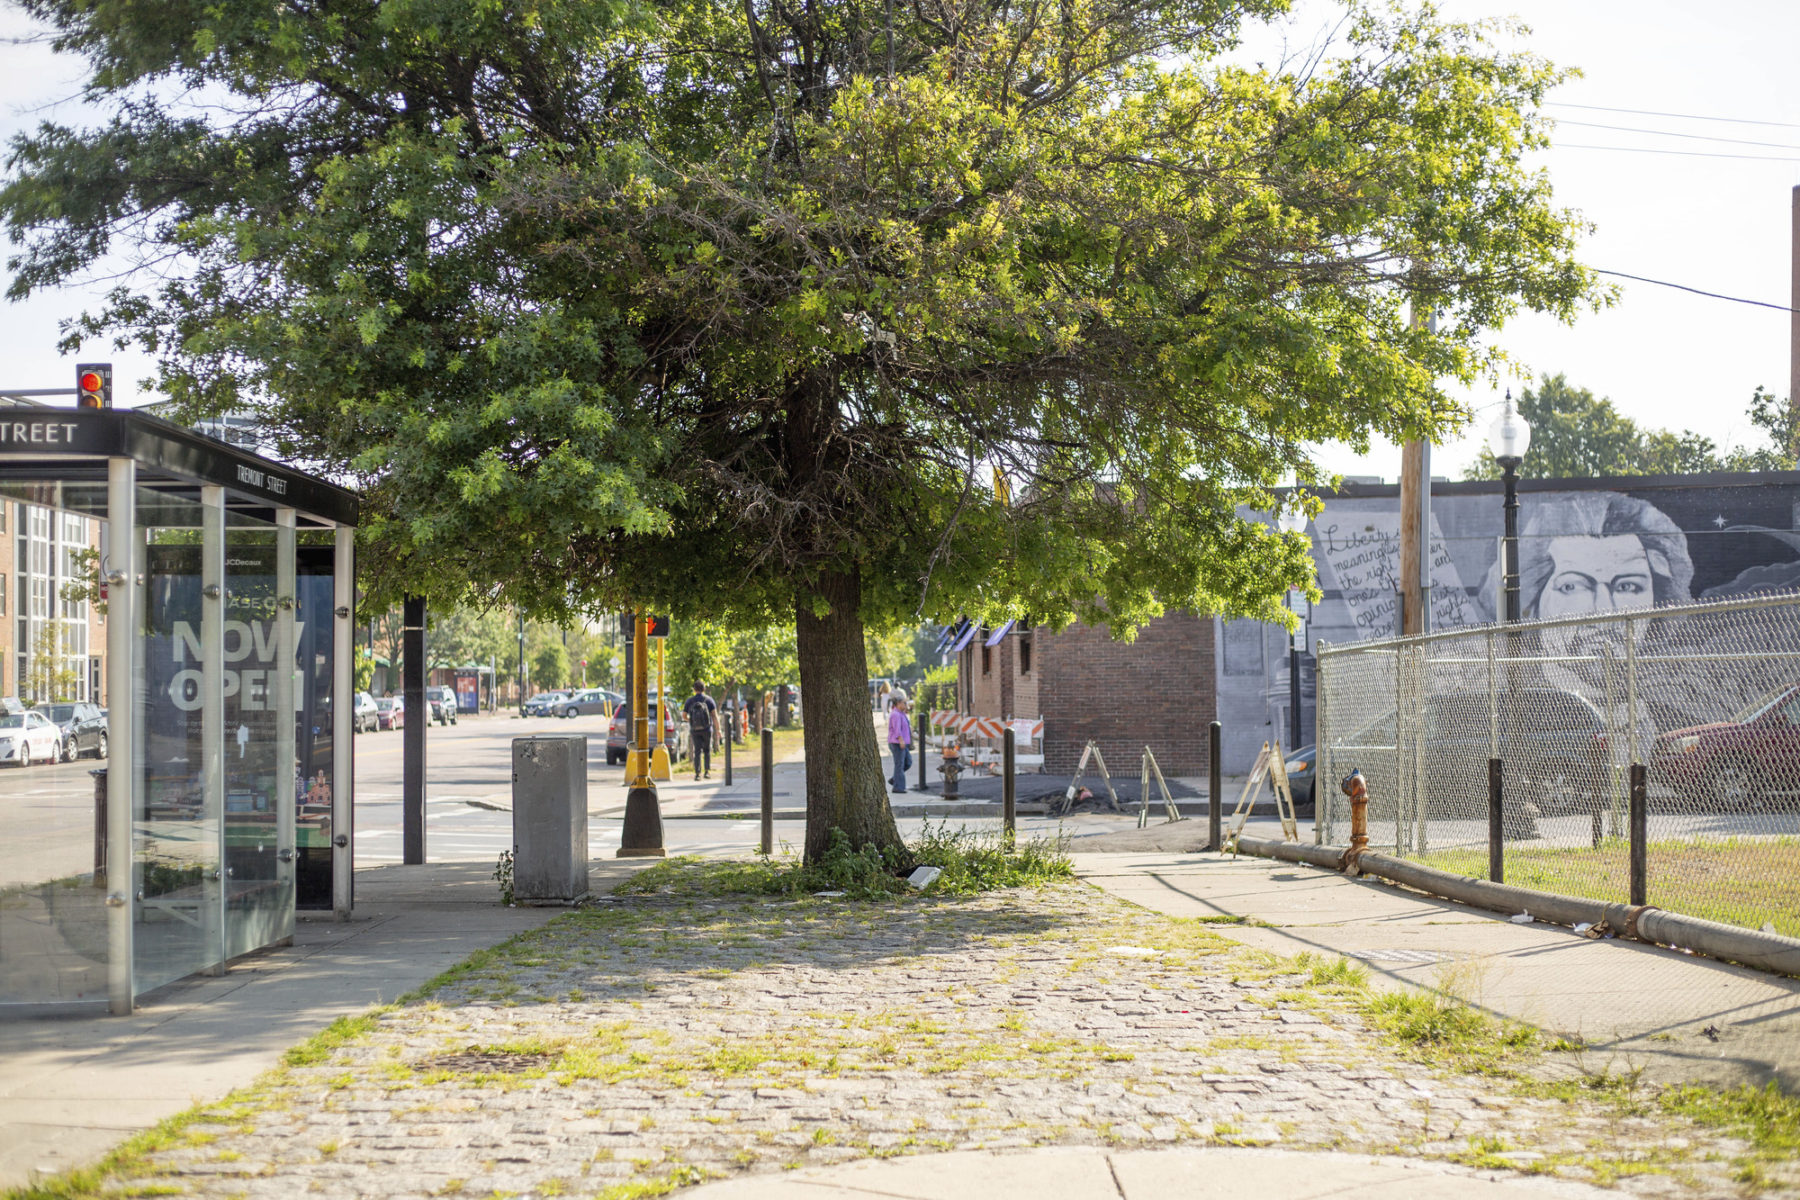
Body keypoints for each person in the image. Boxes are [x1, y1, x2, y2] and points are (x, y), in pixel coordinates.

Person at [683, 681, 717, 781]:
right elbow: (714, 716)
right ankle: (707, 772)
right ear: (704, 689)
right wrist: (718, 730)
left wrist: (692, 721)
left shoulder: (690, 701)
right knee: (707, 750)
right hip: (707, 729)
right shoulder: (709, 700)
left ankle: (697, 774)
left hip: (695, 730)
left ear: (694, 689)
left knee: (697, 751)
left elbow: (684, 716)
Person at [887, 697, 912, 794]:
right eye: (904, 703)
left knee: (908, 762)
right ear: (898, 703)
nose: (906, 704)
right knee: (899, 765)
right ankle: (898, 787)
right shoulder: (895, 714)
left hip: (903, 743)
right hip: (897, 743)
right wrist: (901, 740)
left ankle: (895, 779)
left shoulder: (901, 713)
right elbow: (897, 729)